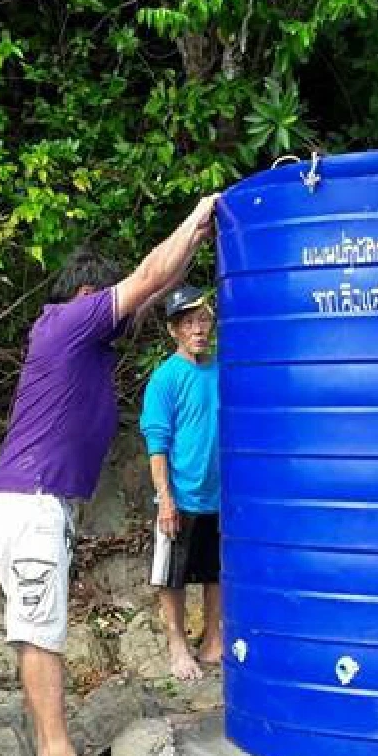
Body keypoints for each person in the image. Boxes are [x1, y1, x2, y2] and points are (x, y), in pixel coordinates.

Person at [0, 194, 218, 756]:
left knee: (36, 624)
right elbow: (149, 278)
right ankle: (56, 754)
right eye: (118, 306)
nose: (132, 318)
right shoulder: (70, 321)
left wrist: (194, 243)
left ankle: (49, 743)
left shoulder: (74, 340)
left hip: (39, 501)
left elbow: (155, 281)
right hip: (31, 500)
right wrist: (197, 217)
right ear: (91, 296)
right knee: (41, 629)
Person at [139, 285, 222, 680]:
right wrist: (165, 499)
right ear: (174, 330)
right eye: (189, 322)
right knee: (171, 576)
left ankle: (213, 640)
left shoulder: (223, 369)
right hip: (181, 493)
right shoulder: (165, 378)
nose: (199, 329)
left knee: (216, 571)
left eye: (204, 320)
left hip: (221, 494)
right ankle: (177, 646)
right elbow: (157, 443)